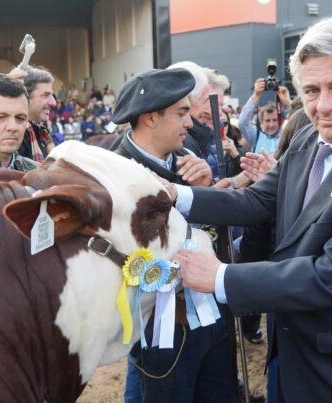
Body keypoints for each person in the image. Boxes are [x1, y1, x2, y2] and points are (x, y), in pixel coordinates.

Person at [167, 17, 332, 401]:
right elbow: (256, 199)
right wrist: (176, 195)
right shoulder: (309, 138)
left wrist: (221, 277)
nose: (322, 105)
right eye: (311, 90)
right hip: (290, 353)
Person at [112, 68, 230, 403]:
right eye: (181, 113)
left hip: (211, 314)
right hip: (159, 328)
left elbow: (209, 231)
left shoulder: (187, 160)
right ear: (150, 118)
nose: (190, 123)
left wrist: (205, 189)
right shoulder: (112, 174)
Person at [238, 78, 291, 154]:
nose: (271, 125)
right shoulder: (255, 136)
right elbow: (242, 123)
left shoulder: (287, 137)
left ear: (281, 120)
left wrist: (288, 101)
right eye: (267, 120)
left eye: (275, 120)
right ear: (261, 122)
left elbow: (303, 120)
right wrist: (256, 95)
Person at [17, 65, 56, 163]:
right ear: (25, 97)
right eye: (45, 95)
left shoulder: (42, 133)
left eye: (52, 95)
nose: (53, 102)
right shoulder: (14, 137)